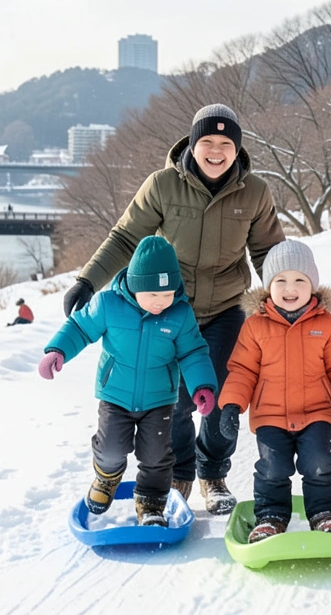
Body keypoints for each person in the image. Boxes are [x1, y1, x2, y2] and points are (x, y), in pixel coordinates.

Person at [61, 104, 285, 514]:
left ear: (237, 150)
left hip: (225, 309)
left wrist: (284, 300)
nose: (215, 152)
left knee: (220, 395)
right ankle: (180, 471)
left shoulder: (254, 192)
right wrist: (87, 280)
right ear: (192, 144)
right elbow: (127, 236)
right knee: (175, 401)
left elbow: (268, 251)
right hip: (170, 309)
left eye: (225, 144)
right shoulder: (163, 185)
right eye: (206, 143)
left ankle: (213, 473)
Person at [38, 236, 218, 526]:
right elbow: (80, 327)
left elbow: (193, 352)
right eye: (152, 295)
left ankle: (151, 503)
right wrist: (57, 350)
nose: (161, 302)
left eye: (167, 294)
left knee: (157, 456)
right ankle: (106, 478)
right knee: (110, 448)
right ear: (134, 285)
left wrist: (202, 386)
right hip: (115, 395)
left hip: (159, 400)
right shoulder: (108, 304)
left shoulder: (180, 314)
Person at [218, 240, 331, 542]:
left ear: (312, 285)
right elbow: (242, 369)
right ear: (268, 286)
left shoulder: (327, 324)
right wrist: (232, 405)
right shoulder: (254, 327)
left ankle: (325, 514)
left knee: (319, 463)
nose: (290, 288)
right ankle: (271, 517)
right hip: (270, 415)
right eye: (281, 280)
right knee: (273, 467)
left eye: (300, 280)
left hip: (316, 412)